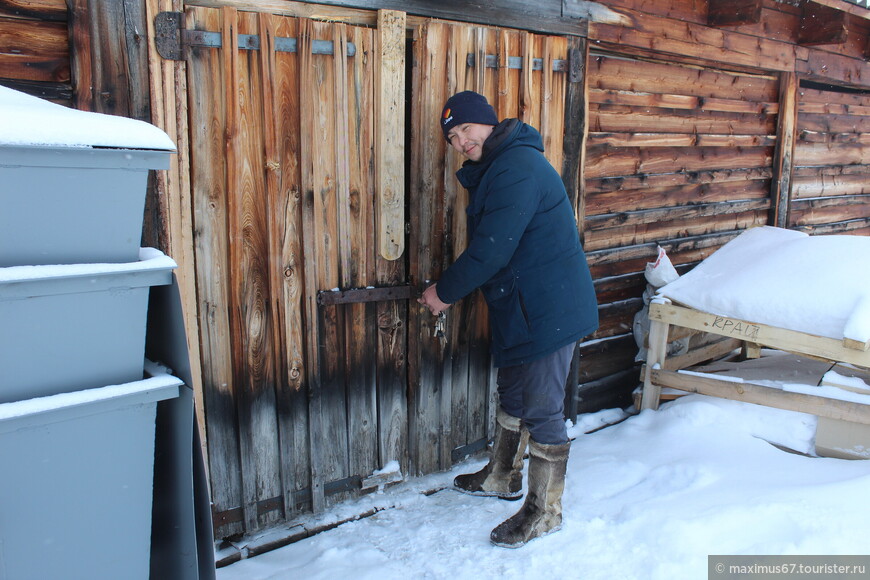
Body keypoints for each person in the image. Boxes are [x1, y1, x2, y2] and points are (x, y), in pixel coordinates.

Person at [418, 90, 599, 548]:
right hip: (523, 305)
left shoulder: (516, 167)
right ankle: (502, 475)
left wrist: (443, 293)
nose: (460, 140)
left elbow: (491, 250)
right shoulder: (497, 169)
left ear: (488, 122)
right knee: (513, 392)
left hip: (548, 309)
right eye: (453, 136)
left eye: (466, 129)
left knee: (542, 408)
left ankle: (544, 510)